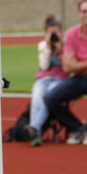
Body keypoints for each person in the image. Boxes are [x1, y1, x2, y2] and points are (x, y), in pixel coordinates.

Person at [43, 0, 87, 146]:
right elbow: (68, 67)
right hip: (79, 78)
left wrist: (79, 64)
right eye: (84, 11)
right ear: (78, 14)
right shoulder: (72, 33)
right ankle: (77, 128)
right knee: (50, 97)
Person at [24, 14, 69, 147]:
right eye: (51, 33)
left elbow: (67, 67)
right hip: (43, 78)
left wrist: (61, 48)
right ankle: (35, 132)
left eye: (57, 32)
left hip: (60, 79)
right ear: (46, 34)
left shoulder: (68, 43)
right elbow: (44, 66)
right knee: (37, 98)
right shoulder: (43, 45)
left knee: (47, 99)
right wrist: (49, 48)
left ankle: (34, 130)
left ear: (61, 31)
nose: (54, 35)